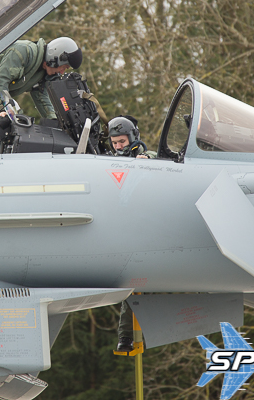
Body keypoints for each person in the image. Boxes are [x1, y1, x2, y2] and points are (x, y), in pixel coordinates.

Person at [0, 37, 83, 155]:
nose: (62, 72)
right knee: (15, 123)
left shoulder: (43, 74)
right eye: (63, 67)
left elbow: (42, 99)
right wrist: (2, 110)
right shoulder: (24, 52)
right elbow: (0, 80)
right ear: (55, 57)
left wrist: (56, 122)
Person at [110, 115, 153, 353]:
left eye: (122, 142)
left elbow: (161, 161)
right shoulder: (108, 163)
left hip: (145, 230)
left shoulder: (146, 158)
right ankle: (126, 337)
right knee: (132, 287)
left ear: (132, 138)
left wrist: (147, 160)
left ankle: (131, 336)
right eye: (115, 142)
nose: (119, 146)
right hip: (123, 231)